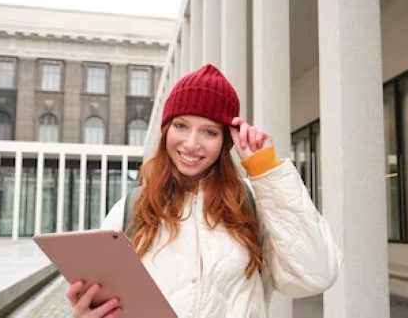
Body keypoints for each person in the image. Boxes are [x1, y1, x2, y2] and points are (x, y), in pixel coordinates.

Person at [65, 64, 341, 318]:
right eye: (181, 126)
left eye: (209, 132)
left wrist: (266, 171)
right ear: (166, 131)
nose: (191, 144)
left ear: (225, 141)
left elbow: (316, 275)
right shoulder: (131, 208)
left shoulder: (252, 204)